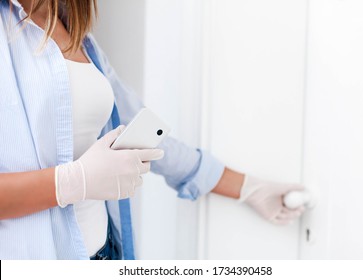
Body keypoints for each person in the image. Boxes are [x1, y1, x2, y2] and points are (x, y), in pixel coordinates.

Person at [0, 0, 305, 260]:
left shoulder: (81, 37)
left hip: (105, 250)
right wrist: (74, 181)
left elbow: (141, 129)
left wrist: (247, 187)